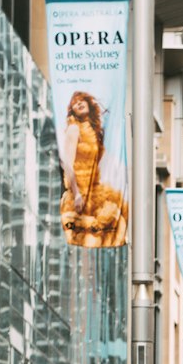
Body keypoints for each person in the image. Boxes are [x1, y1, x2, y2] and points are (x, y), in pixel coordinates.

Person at [59, 91, 128, 248]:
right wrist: (76, 194)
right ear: (72, 110)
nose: (79, 103)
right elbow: (67, 164)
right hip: (80, 194)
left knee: (119, 217)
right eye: (75, 103)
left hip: (95, 191)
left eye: (82, 100)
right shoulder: (74, 129)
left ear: (89, 103)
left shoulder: (93, 130)